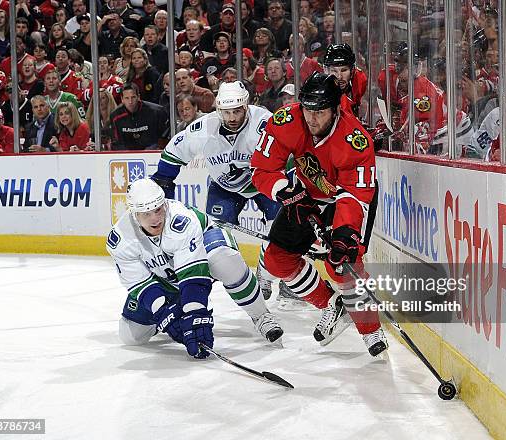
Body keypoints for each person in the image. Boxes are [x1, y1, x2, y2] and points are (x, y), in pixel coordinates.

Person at [250, 72, 388, 357]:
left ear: (336, 109)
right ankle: (331, 306)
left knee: (343, 264)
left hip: (346, 199)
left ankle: (371, 330)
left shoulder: (355, 140)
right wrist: (284, 192)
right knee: (276, 261)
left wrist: (344, 233)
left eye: (320, 112)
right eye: (308, 111)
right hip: (305, 195)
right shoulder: (287, 121)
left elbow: (355, 194)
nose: (312, 119)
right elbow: (262, 169)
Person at [106, 178, 283, 356]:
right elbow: (140, 283)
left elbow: (193, 275)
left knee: (224, 259)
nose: (155, 218)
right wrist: (164, 314)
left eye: (158, 209)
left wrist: (195, 311)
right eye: (146, 214)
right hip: (166, 278)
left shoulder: (180, 220)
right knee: (131, 335)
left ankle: (261, 315)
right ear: (134, 214)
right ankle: (178, 308)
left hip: (205, 250)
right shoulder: (121, 239)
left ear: (165, 205)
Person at [152, 81, 281, 299]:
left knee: (279, 230)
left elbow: (288, 154)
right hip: (224, 187)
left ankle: (266, 274)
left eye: (237, 111)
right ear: (218, 109)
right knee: (215, 239)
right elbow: (173, 152)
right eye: (226, 112)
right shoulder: (203, 129)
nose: (232, 118)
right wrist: (163, 181)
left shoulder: (265, 123)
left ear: (247, 106)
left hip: (264, 183)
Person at [110, 83, 168, 150]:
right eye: (127, 98)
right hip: (127, 154)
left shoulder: (156, 112)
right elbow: (116, 143)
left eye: (133, 97)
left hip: (152, 153)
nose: (130, 101)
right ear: (122, 99)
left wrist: (153, 148)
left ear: (138, 97)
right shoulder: (115, 116)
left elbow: (164, 137)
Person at [322, 43, 367, 117]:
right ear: (327, 71)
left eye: (344, 70)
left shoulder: (359, 83)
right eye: (334, 71)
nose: (339, 77)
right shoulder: (321, 96)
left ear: (352, 70)